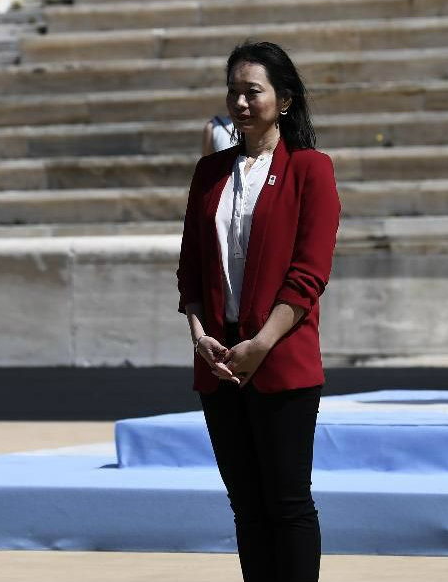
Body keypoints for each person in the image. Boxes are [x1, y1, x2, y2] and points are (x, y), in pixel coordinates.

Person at [177, 41, 341, 582]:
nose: (240, 103)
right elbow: (191, 272)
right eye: (233, 92)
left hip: (280, 361)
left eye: (253, 91)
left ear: (284, 100)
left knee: (287, 503)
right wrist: (202, 336)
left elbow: (309, 274)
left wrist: (260, 344)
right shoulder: (210, 173)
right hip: (219, 361)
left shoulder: (311, 169)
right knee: (246, 507)